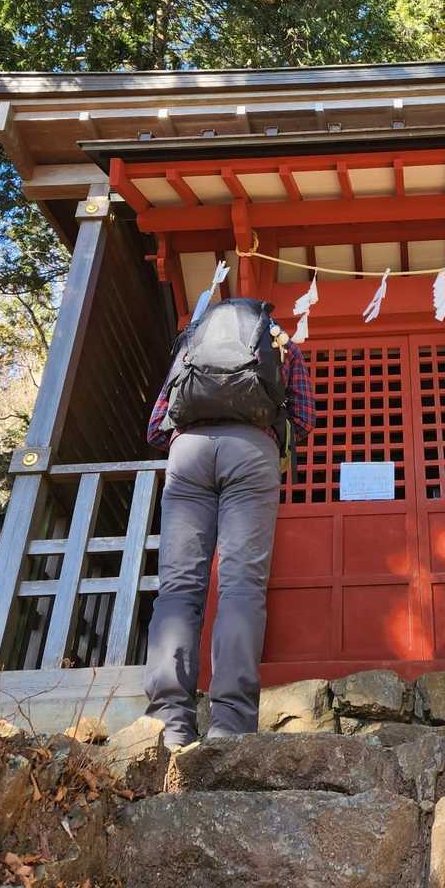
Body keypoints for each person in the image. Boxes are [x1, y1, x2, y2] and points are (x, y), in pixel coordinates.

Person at [143, 298, 315, 748]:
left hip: (188, 455)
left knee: (178, 587)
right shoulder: (281, 343)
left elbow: (156, 428)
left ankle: (169, 724)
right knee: (241, 586)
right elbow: (304, 418)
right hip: (252, 453)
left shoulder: (191, 343)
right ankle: (230, 725)